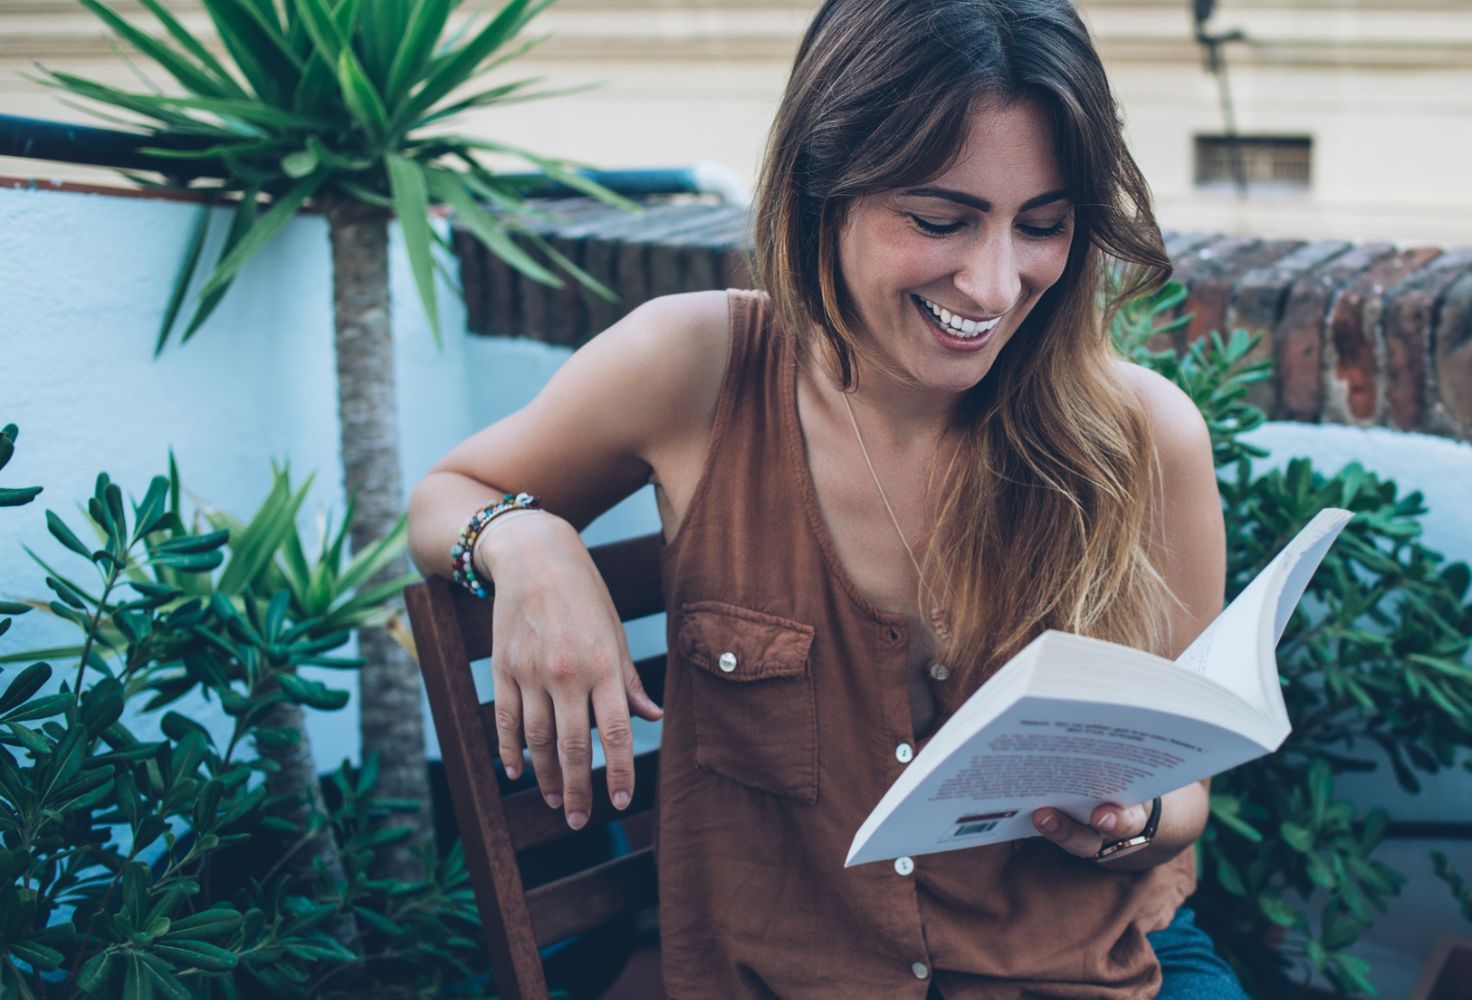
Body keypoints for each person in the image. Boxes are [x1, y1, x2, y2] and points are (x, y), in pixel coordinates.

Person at [407, 1, 1243, 996]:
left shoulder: (1145, 439)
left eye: (1045, 226)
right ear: (821, 187)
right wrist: (526, 539)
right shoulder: (695, 366)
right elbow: (442, 499)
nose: (991, 284)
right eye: (940, 220)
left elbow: (1186, 786)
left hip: (1093, 970)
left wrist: (1133, 822)